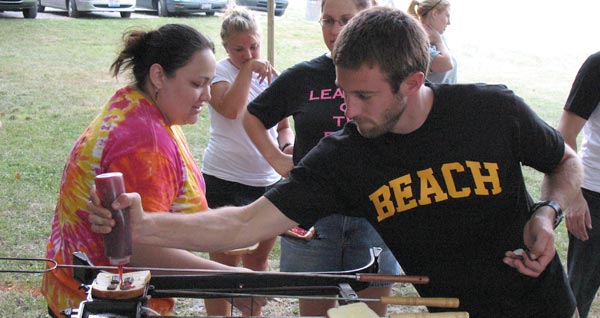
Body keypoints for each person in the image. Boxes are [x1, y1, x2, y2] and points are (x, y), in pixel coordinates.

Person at [89, 7, 583, 318]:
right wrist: (144, 224)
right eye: (344, 92)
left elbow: (564, 162)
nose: (349, 109)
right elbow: (242, 224)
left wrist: (548, 212)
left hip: (540, 304)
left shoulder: (491, 110)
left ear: (412, 83)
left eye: (364, 95)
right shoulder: (347, 155)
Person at [41, 24, 262, 317]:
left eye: (210, 83)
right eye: (197, 84)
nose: (207, 96)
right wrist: (232, 281)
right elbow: (139, 249)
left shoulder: (135, 103)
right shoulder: (145, 141)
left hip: (78, 290)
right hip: (103, 302)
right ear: (158, 76)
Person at [242, 0, 400, 316]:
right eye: (327, 20)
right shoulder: (304, 76)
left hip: (375, 218)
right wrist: (276, 158)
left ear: (366, 18)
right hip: (313, 219)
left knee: (364, 314)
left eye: (346, 19)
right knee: (316, 312)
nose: (336, 30)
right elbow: (253, 116)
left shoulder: (390, 75)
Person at [200, 7, 292, 316]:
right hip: (225, 179)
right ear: (225, 46)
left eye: (253, 46)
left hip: (267, 181)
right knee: (223, 266)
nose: (248, 53)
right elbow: (230, 109)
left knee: (257, 262)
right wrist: (248, 69)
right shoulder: (218, 72)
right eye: (239, 49)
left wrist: (286, 144)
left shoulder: (270, 74)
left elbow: (283, 123)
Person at [557, 51, 600, 318]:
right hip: (594, 196)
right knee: (578, 295)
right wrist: (573, 197)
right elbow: (565, 133)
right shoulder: (597, 66)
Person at [407, 0, 457, 84]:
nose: (449, 23)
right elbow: (447, 64)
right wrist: (438, 42)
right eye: (447, 16)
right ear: (435, 13)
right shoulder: (418, 43)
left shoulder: (439, 37)